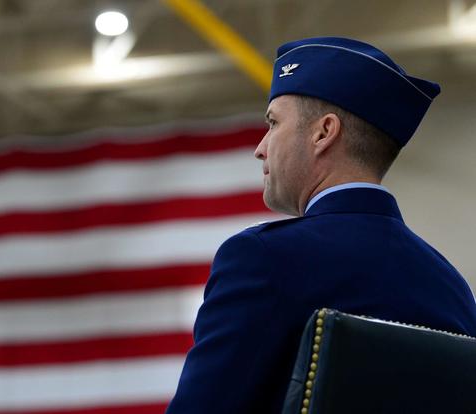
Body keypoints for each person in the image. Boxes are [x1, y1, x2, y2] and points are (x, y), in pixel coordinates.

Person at [165, 37, 476, 414]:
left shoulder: (263, 260)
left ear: (324, 132)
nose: (260, 147)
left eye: (273, 123)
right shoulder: (452, 288)